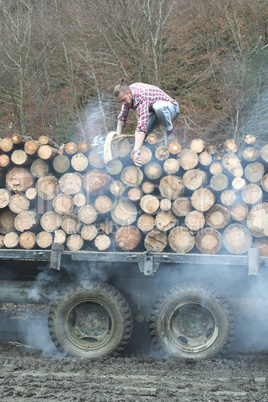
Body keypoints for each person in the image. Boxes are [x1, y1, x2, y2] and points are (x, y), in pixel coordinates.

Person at [114, 81, 179, 166]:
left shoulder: (141, 97)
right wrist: (117, 137)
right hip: (155, 113)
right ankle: (144, 153)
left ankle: (170, 134)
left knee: (158, 107)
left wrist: (135, 151)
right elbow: (122, 118)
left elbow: (141, 128)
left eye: (123, 100)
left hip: (171, 109)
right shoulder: (127, 94)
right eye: (121, 101)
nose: (123, 103)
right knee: (139, 137)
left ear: (130, 93)